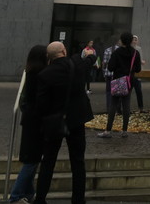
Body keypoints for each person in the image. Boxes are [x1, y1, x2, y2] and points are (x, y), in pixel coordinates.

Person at [32, 41, 95, 204]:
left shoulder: (45, 75)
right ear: (64, 51)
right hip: (76, 121)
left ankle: (40, 199)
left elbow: (41, 104)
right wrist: (90, 55)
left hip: (54, 122)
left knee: (48, 161)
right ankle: (78, 200)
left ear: (49, 56)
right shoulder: (77, 66)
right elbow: (89, 62)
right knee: (78, 161)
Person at [8, 45, 48, 203]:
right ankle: (16, 196)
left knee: (33, 159)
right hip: (36, 121)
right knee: (32, 161)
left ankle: (29, 193)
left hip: (29, 120)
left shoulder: (30, 72)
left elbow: (25, 99)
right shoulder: (41, 74)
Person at [98, 31, 142, 138]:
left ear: (121, 40)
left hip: (117, 80)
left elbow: (111, 67)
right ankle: (124, 131)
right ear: (131, 41)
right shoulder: (136, 53)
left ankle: (108, 131)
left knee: (113, 104)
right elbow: (138, 69)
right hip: (129, 81)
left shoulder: (117, 52)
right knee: (126, 105)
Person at [131, 35, 145, 113]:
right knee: (127, 92)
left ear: (137, 41)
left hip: (136, 72)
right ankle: (125, 108)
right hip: (130, 73)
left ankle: (141, 108)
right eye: (133, 39)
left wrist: (142, 62)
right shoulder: (128, 48)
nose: (134, 41)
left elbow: (141, 59)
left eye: (135, 40)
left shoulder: (139, 48)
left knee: (139, 91)